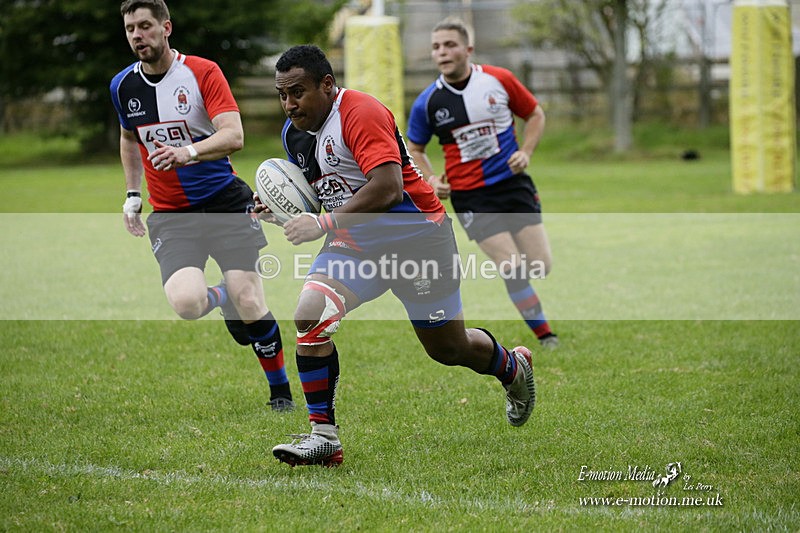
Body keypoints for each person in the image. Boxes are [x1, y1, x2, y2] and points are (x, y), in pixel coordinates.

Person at [258, 45, 536, 468]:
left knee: (449, 349)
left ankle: (512, 367)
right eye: (282, 94)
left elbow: (387, 189)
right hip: (357, 244)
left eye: (297, 92)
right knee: (310, 314)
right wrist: (283, 210)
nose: (289, 104)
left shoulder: (360, 112)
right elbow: (324, 197)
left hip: (418, 239)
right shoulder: (294, 133)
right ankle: (324, 437)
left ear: (327, 85)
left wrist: (324, 223)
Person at [110, 0, 294, 411]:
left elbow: (234, 135)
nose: (137, 35)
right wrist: (133, 194)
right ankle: (221, 296)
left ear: (166, 27)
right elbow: (128, 139)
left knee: (250, 300)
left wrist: (187, 152)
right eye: (130, 29)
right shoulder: (123, 85)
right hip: (173, 215)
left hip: (225, 203)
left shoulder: (202, 72)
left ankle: (280, 392)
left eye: (145, 26)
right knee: (187, 303)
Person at [406, 18, 558, 349]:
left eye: (449, 45)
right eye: (436, 47)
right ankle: (546, 336)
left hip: (513, 185)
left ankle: (535, 314)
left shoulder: (498, 80)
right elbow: (414, 149)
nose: (442, 52)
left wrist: (526, 152)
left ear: (468, 49)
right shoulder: (428, 102)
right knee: (511, 265)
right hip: (471, 196)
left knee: (540, 264)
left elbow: (535, 114)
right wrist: (431, 179)